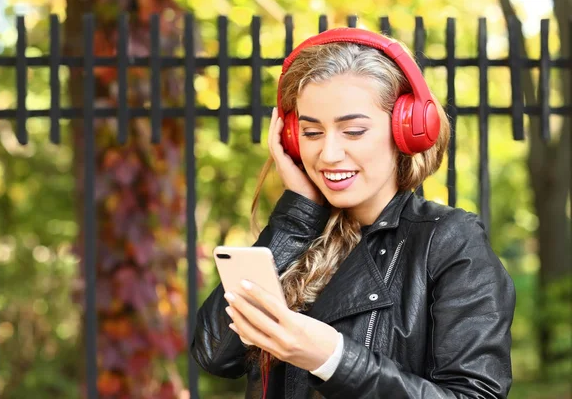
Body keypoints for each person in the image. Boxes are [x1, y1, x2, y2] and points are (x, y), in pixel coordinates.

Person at [190, 28, 516, 399]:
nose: (328, 154)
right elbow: (215, 355)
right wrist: (297, 214)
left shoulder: (450, 242)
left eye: (354, 131)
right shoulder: (298, 231)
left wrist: (332, 358)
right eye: (311, 133)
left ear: (406, 130)